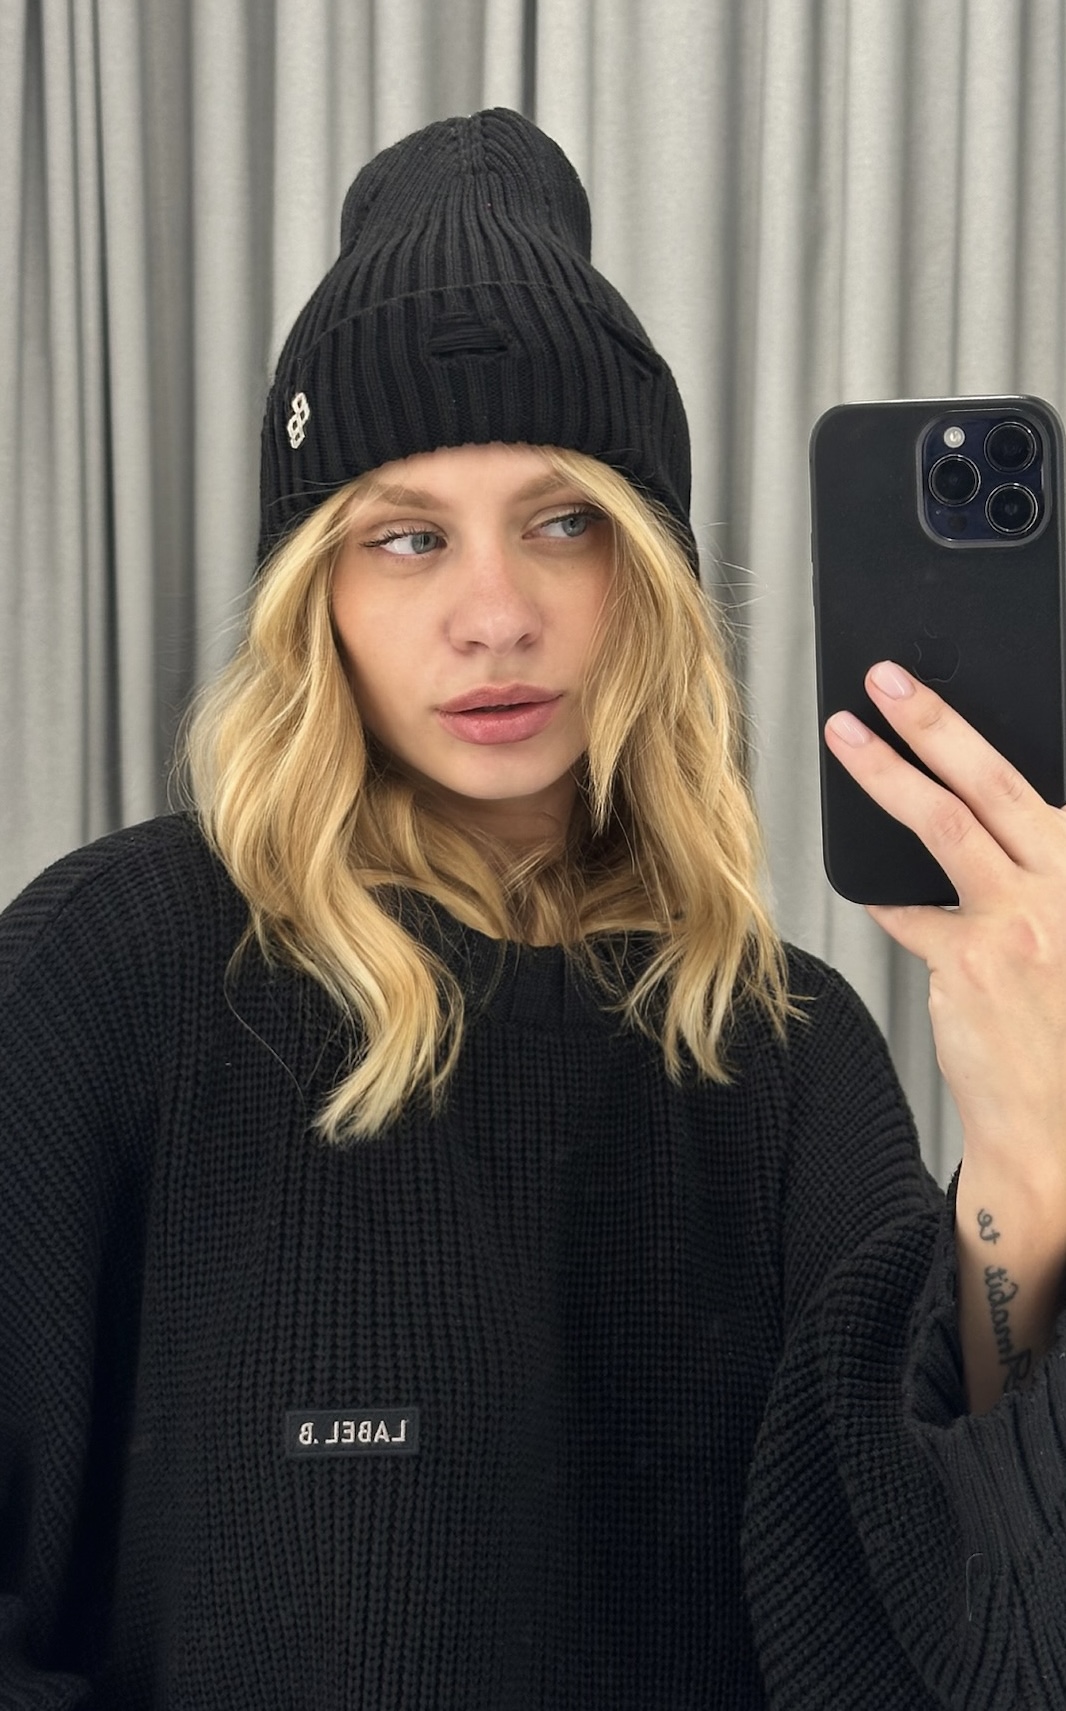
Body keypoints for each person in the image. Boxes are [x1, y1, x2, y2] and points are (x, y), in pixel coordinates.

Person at [1, 108, 1064, 1711]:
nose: (493, 614)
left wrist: (1032, 1159)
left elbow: (952, 1652)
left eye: (564, 521)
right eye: (406, 537)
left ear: (647, 574)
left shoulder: (782, 1055)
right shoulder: (114, 969)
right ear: (315, 596)